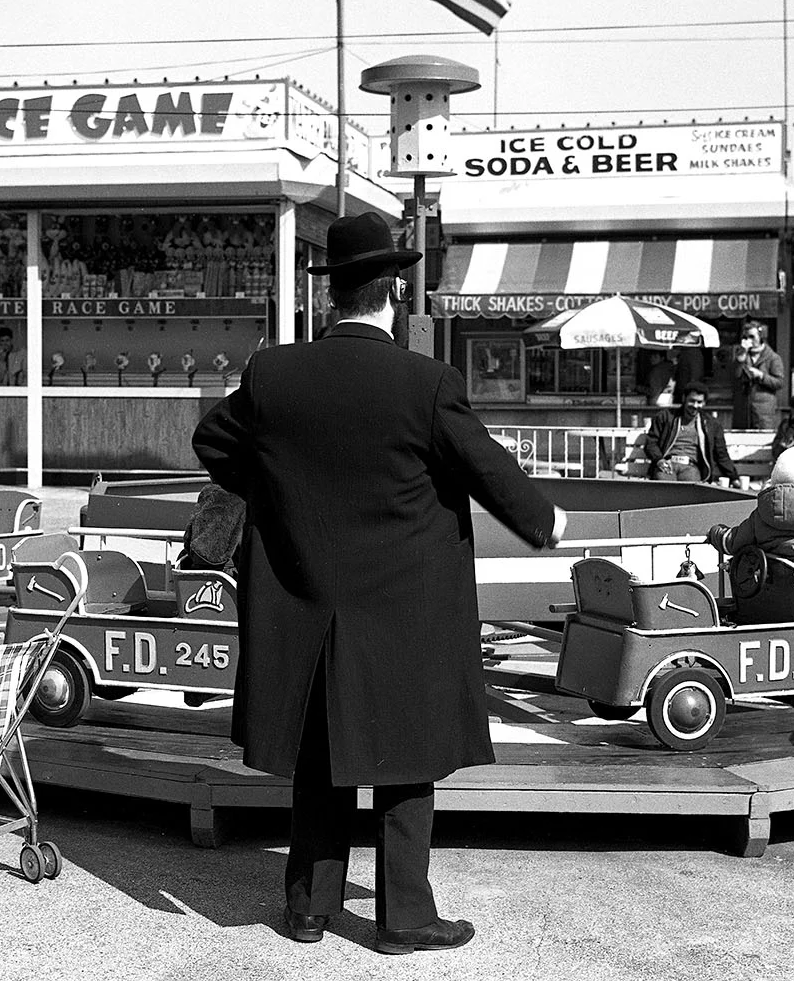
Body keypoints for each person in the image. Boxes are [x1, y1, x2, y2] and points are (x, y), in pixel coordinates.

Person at [192, 212, 566, 956]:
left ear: (330, 294)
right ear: (393, 292)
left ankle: (308, 908)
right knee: (408, 761)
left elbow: (212, 441)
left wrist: (279, 491)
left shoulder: (273, 375)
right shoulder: (424, 383)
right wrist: (543, 519)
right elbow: (484, 467)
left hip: (306, 599)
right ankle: (404, 918)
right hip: (403, 606)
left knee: (317, 755)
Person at [643, 383, 740, 485]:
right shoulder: (665, 417)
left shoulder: (711, 424)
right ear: (684, 398)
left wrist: (734, 478)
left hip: (691, 467)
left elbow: (721, 453)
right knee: (665, 488)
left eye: (699, 402)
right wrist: (659, 460)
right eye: (692, 401)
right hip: (667, 464)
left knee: (692, 490)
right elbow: (651, 443)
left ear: (704, 403)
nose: (695, 406)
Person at [178, 482, 246, 576]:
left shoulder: (209, 491)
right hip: (218, 565)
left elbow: (188, 535)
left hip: (198, 558)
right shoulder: (241, 499)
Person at [731, 320, 785, 430]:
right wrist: (740, 360)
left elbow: (779, 383)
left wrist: (761, 376)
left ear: (761, 337)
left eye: (752, 337)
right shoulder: (741, 355)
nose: (748, 340)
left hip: (763, 411)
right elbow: (734, 377)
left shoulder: (773, 358)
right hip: (743, 410)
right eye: (745, 337)